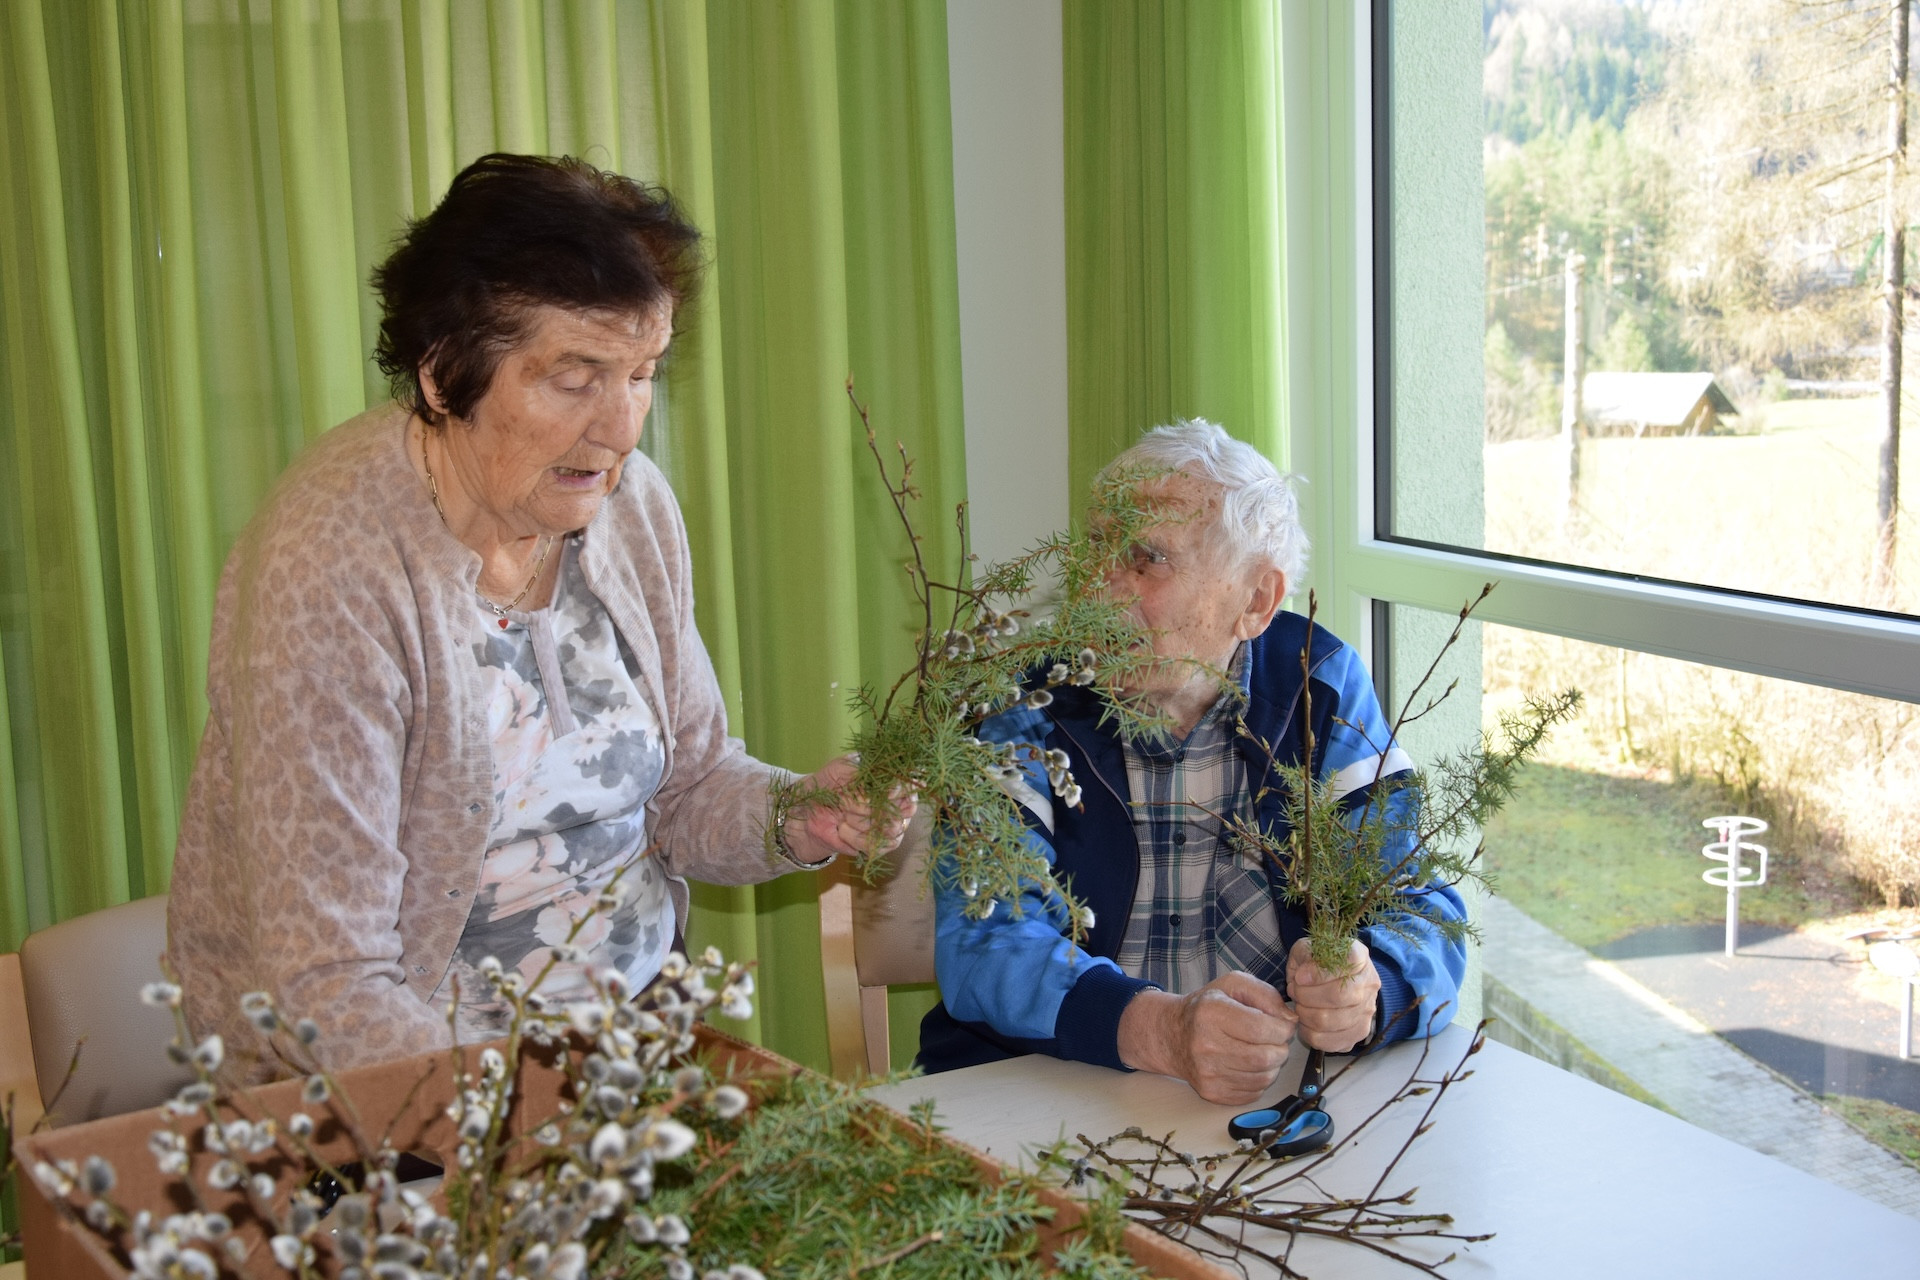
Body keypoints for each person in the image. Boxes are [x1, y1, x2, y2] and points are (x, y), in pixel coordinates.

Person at [167, 154, 907, 1079]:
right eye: (575, 377)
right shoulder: (330, 572)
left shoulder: (627, 506)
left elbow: (686, 792)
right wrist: (544, 1132)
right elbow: (332, 988)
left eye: (642, 373)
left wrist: (803, 817)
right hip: (413, 1105)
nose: (622, 427)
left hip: (632, 1047)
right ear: (444, 377)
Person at [916, 420, 1465, 1104]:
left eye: (1146, 559)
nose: (1100, 588)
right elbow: (984, 942)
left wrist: (1370, 986)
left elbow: (1422, 908)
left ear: (1256, 601)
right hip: (1045, 1091)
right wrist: (1160, 1030)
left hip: (1265, 1097)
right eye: (1095, 550)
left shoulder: (1318, 691)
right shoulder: (1021, 705)